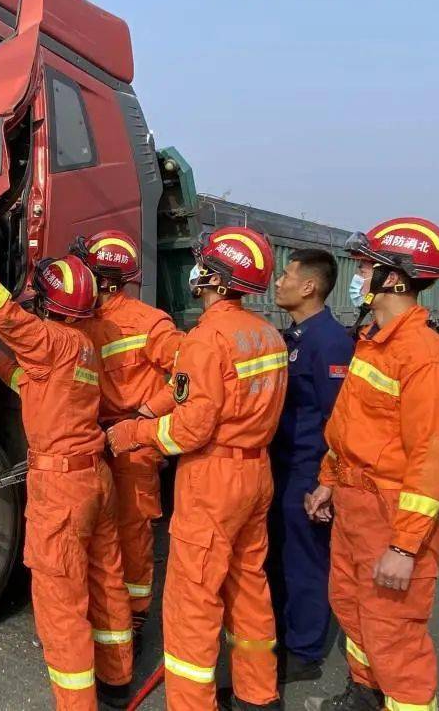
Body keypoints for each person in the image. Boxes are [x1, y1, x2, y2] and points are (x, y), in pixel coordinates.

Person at [0, 216, 133, 710]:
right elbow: (36, 388)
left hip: (62, 490)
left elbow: (4, 314)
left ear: (49, 306)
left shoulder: (49, 341)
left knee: (61, 601)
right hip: (96, 478)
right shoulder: (81, 346)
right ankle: (116, 680)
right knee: (105, 579)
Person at [107, 227, 287, 711]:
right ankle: (258, 696)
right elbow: (204, 392)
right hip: (256, 472)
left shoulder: (206, 339)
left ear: (212, 276)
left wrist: (135, 434)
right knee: (250, 585)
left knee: (194, 601)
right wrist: (152, 407)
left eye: (204, 263)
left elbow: (190, 429)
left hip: (213, 478)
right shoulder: (266, 334)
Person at [304, 218, 439, 711]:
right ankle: (365, 695)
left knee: (395, 639)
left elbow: (432, 461)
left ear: (395, 278)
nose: (358, 273)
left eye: (366, 265)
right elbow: (352, 429)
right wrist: (328, 483)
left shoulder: (426, 359)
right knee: (355, 613)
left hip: (390, 516)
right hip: (355, 509)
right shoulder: (375, 342)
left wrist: (403, 545)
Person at [70, 230, 185, 637]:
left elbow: (189, 378)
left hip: (133, 447)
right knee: (97, 530)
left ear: (105, 278)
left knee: (133, 532)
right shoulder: (81, 321)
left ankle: (135, 615)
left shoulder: (150, 324)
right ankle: (105, 608)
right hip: (95, 441)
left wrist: (142, 416)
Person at [268, 249, 355, 682]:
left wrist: (329, 482)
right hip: (283, 466)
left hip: (308, 470)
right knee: (281, 558)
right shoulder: (296, 336)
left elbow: (339, 420)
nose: (278, 282)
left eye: (286, 275)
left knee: (305, 562)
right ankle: (284, 637)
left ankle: (304, 653)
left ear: (309, 286)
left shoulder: (331, 342)